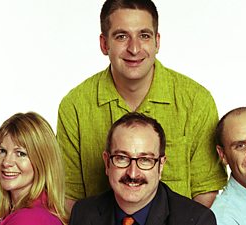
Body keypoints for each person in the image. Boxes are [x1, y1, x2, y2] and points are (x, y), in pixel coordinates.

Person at [57, 0, 227, 212]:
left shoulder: (196, 101)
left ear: (157, 42)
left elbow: (206, 192)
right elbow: (69, 196)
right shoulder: (75, 106)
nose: (134, 48)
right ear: (104, 44)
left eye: (144, 35)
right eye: (121, 36)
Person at [69, 112, 217, 225]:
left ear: (161, 166)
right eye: (122, 158)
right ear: (107, 163)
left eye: (145, 160)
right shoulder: (83, 214)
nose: (133, 173)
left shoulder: (197, 220)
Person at [0, 112, 68, 225]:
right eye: (1, 151)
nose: (6, 162)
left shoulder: (28, 219)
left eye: (20, 153)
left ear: (42, 160)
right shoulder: (29, 212)